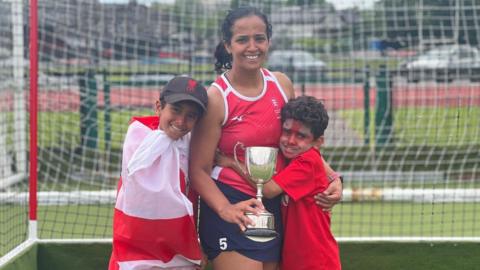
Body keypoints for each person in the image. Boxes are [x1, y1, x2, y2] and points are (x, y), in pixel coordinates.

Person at [188, 6, 343, 270]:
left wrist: (333, 178)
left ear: (268, 41)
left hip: (273, 206)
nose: (252, 46)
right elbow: (198, 170)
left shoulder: (281, 84)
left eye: (259, 38)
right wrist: (225, 209)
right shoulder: (217, 98)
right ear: (227, 45)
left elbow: (301, 146)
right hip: (232, 204)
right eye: (242, 40)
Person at [109, 76, 209, 270]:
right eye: (176, 110)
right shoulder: (139, 138)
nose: (181, 121)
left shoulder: (194, 145)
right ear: (158, 107)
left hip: (182, 259)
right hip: (134, 256)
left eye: (191, 115)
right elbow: (153, 199)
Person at [250, 96, 341, 270]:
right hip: (296, 261)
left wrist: (232, 162)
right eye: (286, 131)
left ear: (318, 142)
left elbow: (268, 190)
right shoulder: (295, 157)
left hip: (316, 263)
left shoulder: (307, 162)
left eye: (300, 135)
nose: (290, 141)